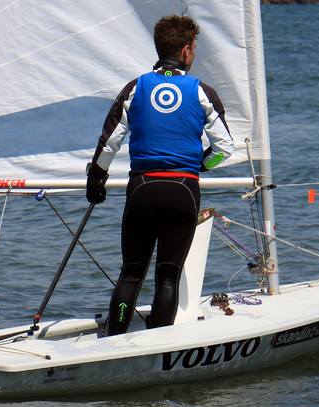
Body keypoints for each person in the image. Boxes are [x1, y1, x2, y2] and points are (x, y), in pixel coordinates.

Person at [85, 15, 235, 336]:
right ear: (184, 51)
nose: (193, 54)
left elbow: (109, 141)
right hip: (183, 190)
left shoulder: (136, 87)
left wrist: (95, 180)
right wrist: (199, 166)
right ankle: (157, 342)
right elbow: (225, 147)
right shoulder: (201, 91)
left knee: (131, 274)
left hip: (143, 189)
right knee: (168, 277)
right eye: (193, 49)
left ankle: (115, 337)